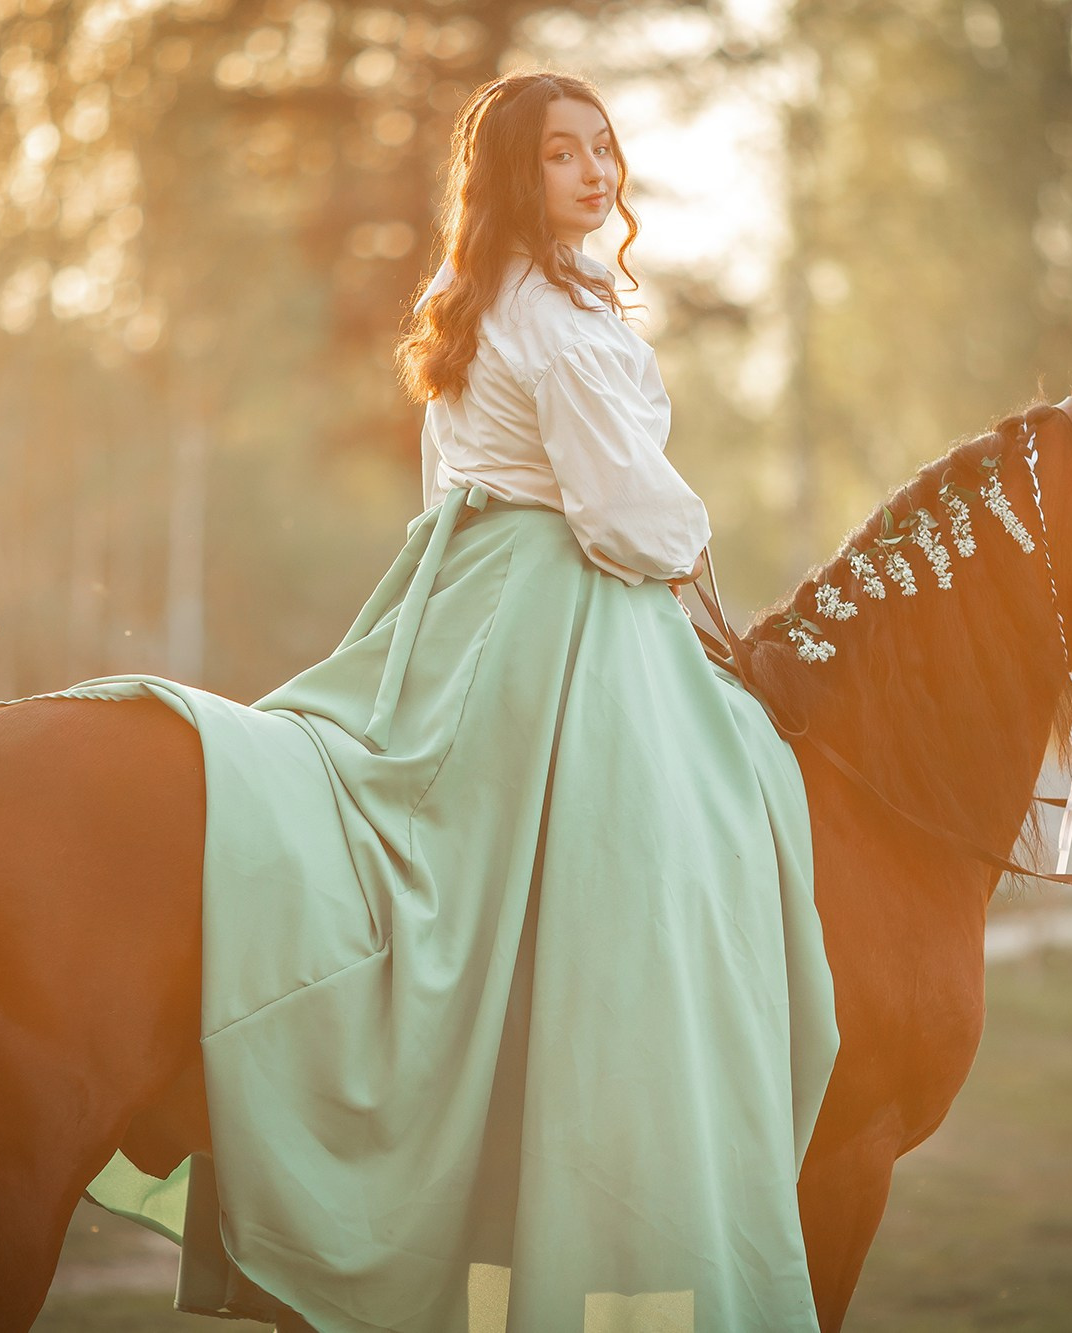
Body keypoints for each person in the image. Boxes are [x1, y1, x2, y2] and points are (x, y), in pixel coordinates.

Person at [66, 70, 840, 1332]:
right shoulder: (564, 322)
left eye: (604, 149)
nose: (596, 172)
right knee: (689, 807)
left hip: (462, 585)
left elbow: (449, 487)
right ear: (510, 176)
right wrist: (691, 528)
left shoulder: (479, 303)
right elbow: (619, 514)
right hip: (563, 602)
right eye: (561, 155)